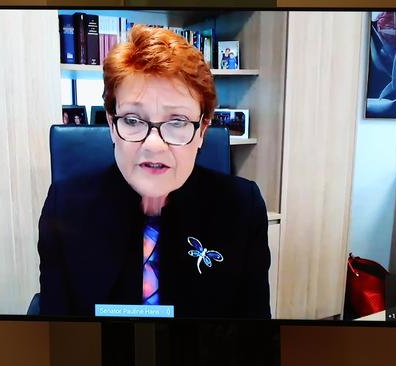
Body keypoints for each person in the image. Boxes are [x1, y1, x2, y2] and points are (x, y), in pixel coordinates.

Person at [37, 25, 270, 319]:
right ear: (111, 124)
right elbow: (58, 335)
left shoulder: (242, 207)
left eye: (178, 121)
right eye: (133, 120)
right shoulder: (65, 207)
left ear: (202, 131)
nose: (154, 145)